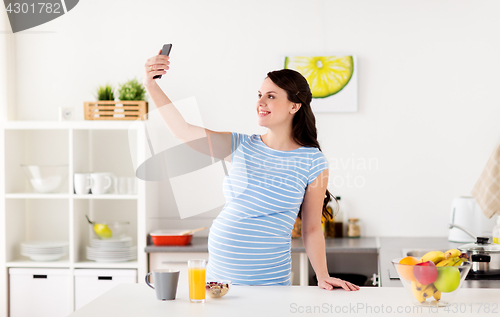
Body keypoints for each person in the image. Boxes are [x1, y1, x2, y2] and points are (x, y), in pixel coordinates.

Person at [143, 52, 360, 292]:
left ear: (294, 106)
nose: (260, 102)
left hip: (270, 281)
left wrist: (323, 275)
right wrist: (151, 85)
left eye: (271, 96)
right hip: (220, 279)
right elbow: (182, 131)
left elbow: (311, 227)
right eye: (259, 95)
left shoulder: (313, 161)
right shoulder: (240, 145)